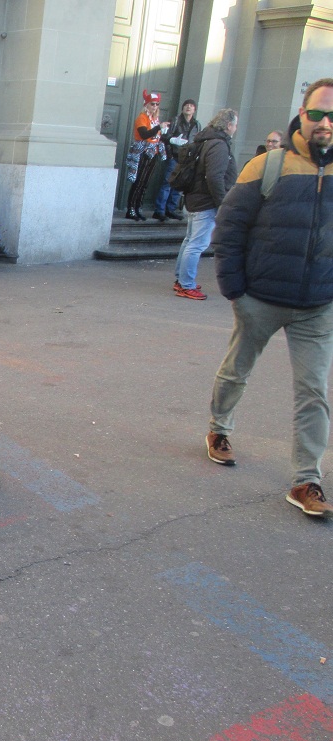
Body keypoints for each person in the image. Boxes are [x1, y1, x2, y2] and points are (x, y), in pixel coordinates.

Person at [206, 77, 333, 518]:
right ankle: (219, 429)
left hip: (317, 305)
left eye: (332, 115)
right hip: (260, 296)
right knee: (237, 370)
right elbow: (230, 226)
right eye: (317, 113)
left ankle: (307, 480)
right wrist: (234, 289)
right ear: (302, 114)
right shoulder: (269, 165)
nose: (325, 122)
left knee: (314, 391)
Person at [172, 108, 239, 300]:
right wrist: (222, 203)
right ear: (228, 125)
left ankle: (182, 279)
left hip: (196, 198)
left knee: (190, 241)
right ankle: (186, 284)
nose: (235, 128)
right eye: (235, 124)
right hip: (205, 201)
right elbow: (215, 177)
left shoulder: (206, 140)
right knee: (197, 244)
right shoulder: (218, 145)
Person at [125, 90, 169, 220]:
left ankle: (138, 207)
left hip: (153, 152)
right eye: (152, 104)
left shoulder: (155, 119)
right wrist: (158, 128)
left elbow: (157, 136)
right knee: (138, 182)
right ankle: (131, 209)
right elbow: (144, 134)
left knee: (145, 183)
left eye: (157, 104)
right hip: (143, 152)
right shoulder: (142, 118)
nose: (155, 107)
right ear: (146, 105)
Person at [153, 98, 200, 221]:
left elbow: (197, 140)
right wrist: (173, 141)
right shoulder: (175, 120)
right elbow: (164, 136)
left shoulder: (196, 124)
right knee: (167, 183)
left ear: (194, 109)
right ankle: (159, 210)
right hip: (174, 156)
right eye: (186, 105)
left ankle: (171, 209)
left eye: (191, 105)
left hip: (187, 159)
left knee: (179, 185)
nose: (188, 107)